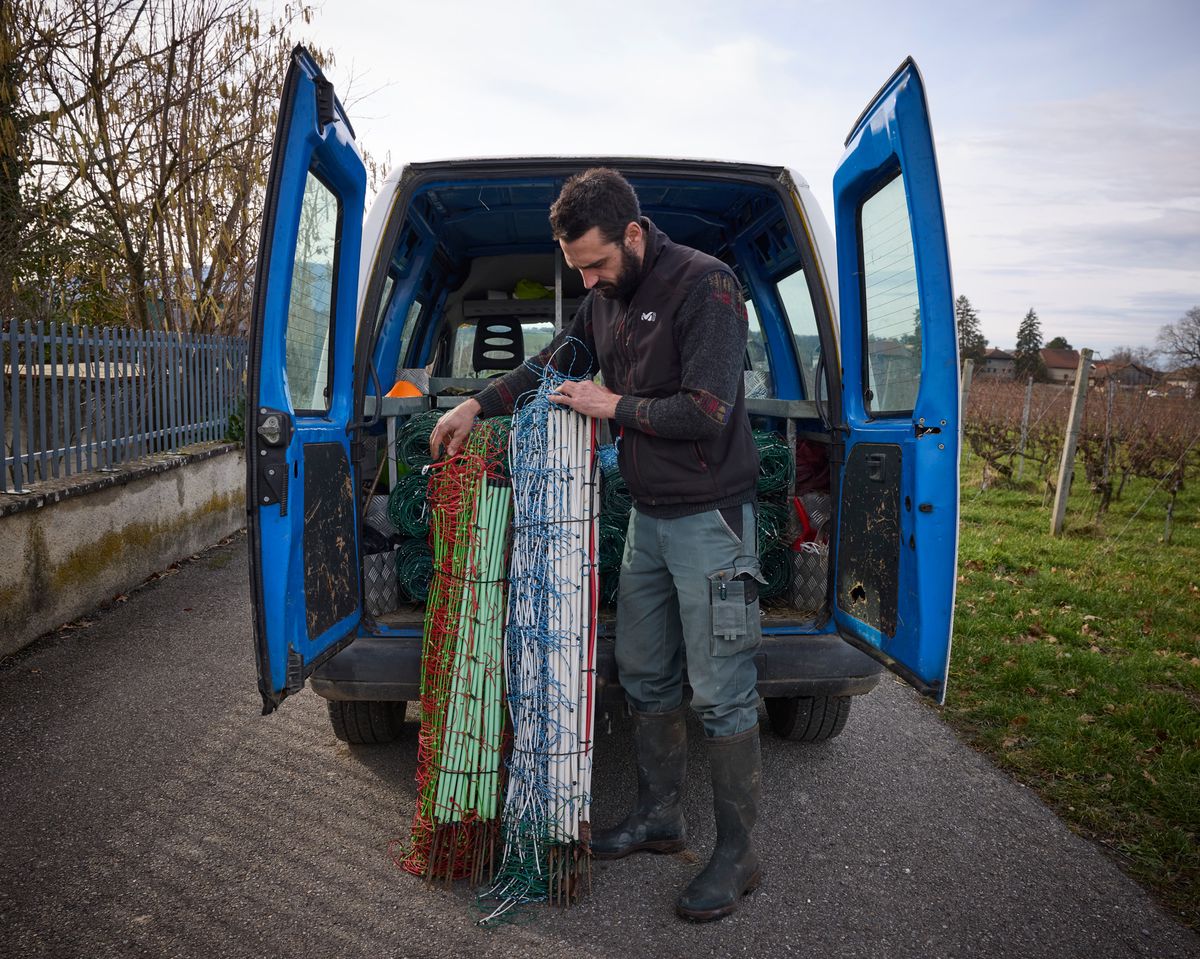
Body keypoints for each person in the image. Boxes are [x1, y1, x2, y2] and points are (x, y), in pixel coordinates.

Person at [429, 168, 763, 922]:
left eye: (596, 263)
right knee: (644, 669)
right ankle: (659, 817)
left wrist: (613, 404)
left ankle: (739, 854)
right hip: (648, 517)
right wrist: (475, 405)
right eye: (577, 267)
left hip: (713, 521)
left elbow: (707, 410)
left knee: (722, 687)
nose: (587, 279)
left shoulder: (707, 286)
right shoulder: (604, 299)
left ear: (634, 234)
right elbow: (555, 361)